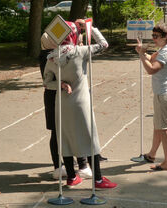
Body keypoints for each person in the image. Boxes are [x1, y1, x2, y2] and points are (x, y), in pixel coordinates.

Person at [43, 19, 117, 189]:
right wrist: (91, 28)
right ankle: (98, 179)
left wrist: (60, 84)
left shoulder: (52, 58)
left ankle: (71, 177)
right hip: (81, 102)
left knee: (66, 138)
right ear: (73, 35)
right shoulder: (79, 51)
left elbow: (47, 83)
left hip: (61, 103)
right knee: (90, 138)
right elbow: (104, 44)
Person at [39, 23, 92, 179]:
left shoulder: (69, 52)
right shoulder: (49, 56)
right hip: (54, 97)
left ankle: (81, 165)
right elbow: (47, 80)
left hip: (70, 96)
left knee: (74, 129)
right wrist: (61, 84)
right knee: (57, 131)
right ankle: (59, 167)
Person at [135, 23, 167, 171]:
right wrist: (142, 52)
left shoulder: (166, 51)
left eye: (156, 36)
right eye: (152, 36)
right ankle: (152, 154)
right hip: (165, 93)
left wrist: (141, 55)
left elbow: (152, 69)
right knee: (158, 127)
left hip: (164, 94)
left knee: (164, 129)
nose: (153, 39)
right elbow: (152, 57)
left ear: (166, 37)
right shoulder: (166, 48)